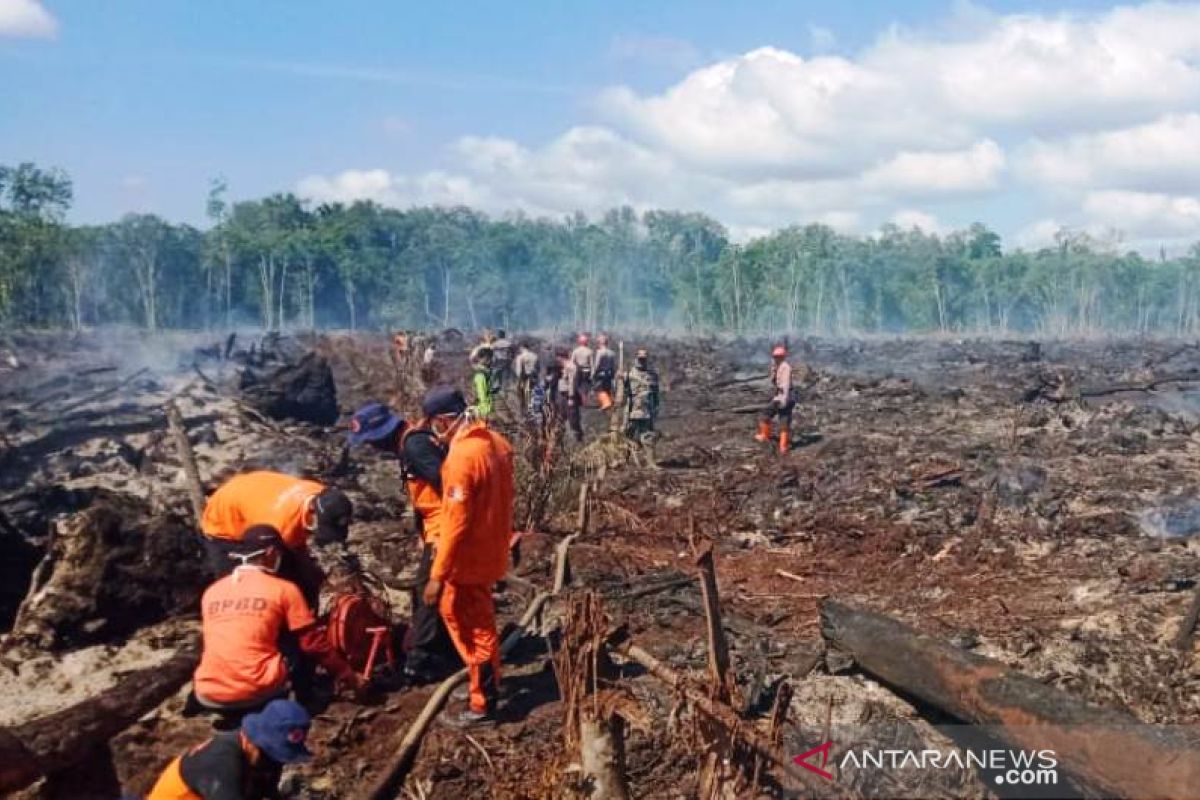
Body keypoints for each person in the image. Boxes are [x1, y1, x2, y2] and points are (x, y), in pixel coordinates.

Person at [421, 387, 514, 725]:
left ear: (444, 420)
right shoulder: (495, 441)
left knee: (474, 628)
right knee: (469, 616)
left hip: (469, 557)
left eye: (434, 424)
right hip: (491, 548)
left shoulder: (461, 459)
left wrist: (436, 575)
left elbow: (456, 523)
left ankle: (483, 702)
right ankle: (483, 679)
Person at [192, 526, 362, 711]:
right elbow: (311, 643)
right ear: (272, 552)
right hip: (257, 690)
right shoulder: (283, 589)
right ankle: (307, 700)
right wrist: (346, 673)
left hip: (207, 693)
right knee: (296, 641)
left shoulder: (213, 591)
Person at [347, 402, 459, 683]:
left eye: (372, 441)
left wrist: (446, 537)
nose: (371, 448)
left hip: (443, 529)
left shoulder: (415, 447)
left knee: (428, 593)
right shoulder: (413, 442)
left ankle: (420, 662)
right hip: (435, 529)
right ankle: (445, 649)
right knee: (435, 591)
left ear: (383, 434)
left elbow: (451, 491)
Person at [200, 471, 351, 609]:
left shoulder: (319, 492)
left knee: (306, 579)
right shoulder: (280, 525)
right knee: (247, 590)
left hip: (253, 489)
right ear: (312, 510)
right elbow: (269, 565)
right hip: (224, 524)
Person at [147, 699, 313, 800]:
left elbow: (268, 790)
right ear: (250, 739)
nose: (273, 761)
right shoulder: (222, 763)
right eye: (269, 754)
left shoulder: (260, 755)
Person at [623, 347, 661, 465]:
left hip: (647, 409)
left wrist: (656, 407)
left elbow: (655, 392)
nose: (641, 361)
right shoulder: (629, 374)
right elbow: (624, 392)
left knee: (648, 435)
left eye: (644, 359)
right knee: (629, 434)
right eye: (640, 358)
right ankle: (625, 460)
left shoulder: (652, 374)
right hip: (633, 409)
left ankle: (650, 462)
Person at [756, 345, 796, 453]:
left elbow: (786, 384)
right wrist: (773, 370)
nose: (776, 358)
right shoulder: (777, 366)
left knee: (766, 414)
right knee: (783, 419)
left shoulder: (785, 367)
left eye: (778, 356)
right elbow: (774, 381)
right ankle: (782, 446)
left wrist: (783, 399)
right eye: (775, 356)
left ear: (783, 357)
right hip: (785, 396)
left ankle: (767, 437)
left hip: (785, 396)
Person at [557, 348, 584, 443]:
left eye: (558, 358)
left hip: (570, 397)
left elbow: (572, 383)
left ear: (561, 357)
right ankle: (558, 441)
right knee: (560, 418)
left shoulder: (571, 366)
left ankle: (579, 441)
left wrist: (571, 397)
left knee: (573, 420)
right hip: (563, 396)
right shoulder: (564, 366)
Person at [512, 340, 539, 413]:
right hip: (534, 379)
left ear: (522, 348)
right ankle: (533, 411)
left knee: (522, 397)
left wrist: (518, 381)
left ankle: (524, 412)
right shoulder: (535, 356)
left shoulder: (520, 357)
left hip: (524, 379)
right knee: (532, 396)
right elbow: (538, 369)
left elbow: (519, 371)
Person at [592, 334, 617, 413]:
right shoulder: (612, 353)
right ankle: (609, 407)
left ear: (600, 343)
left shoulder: (600, 352)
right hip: (609, 375)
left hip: (601, 375)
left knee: (599, 389)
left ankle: (606, 403)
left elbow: (597, 365)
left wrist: (593, 374)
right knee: (607, 390)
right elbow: (613, 366)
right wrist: (613, 375)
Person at [469, 346, 495, 418]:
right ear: (482, 359)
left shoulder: (487, 372)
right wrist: (485, 411)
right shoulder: (481, 375)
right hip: (482, 410)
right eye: (489, 358)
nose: (491, 360)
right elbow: (482, 394)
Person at [570, 333, 594, 398]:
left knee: (577, 385)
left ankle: (580, 397)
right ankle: (584, 397)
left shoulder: (575, 351)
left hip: (578, 370)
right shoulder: (589, 351)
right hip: (587, 370)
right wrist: (592, 373)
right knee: (585, 385)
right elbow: (592, 364)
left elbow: (572, 362)